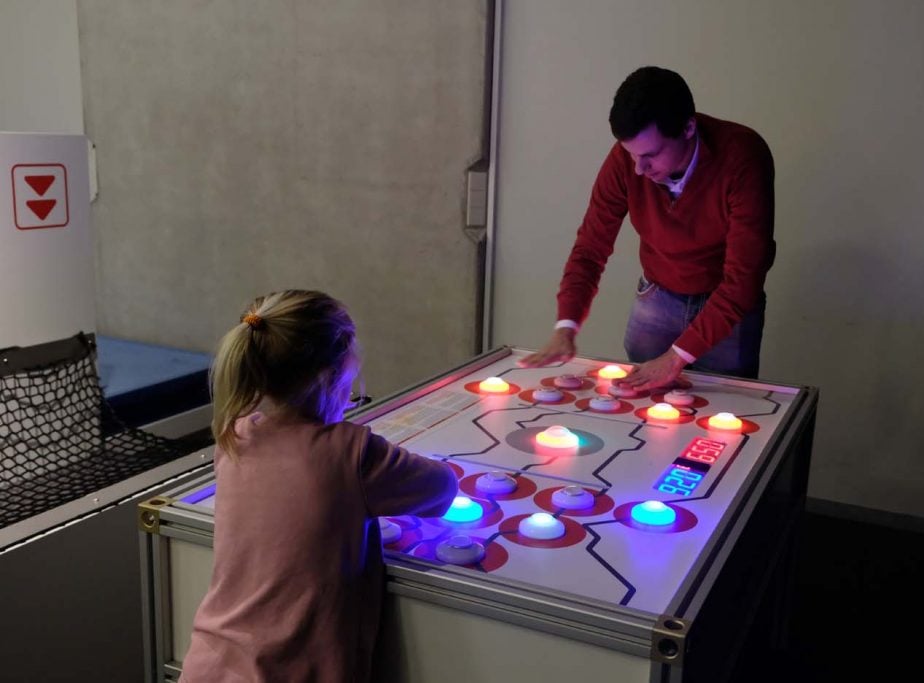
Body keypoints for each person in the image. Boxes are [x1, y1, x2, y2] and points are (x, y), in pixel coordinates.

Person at [179, 290, 458, 683]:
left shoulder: (235, 436)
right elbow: (442, 489)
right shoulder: (352, 452)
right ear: (333, 374)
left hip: (208, 665)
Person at [519, 66, 775, 388]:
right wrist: (566, 326)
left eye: (651, 155)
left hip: (726, 305)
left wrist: (676, 357)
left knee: (725, 402)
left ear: (688, 128)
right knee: (640, 402)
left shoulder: (743, 156)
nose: (639, 169)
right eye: (632, 155)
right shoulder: (626, 161)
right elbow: (590, 249)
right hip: (657, 295)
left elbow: (743, 278)